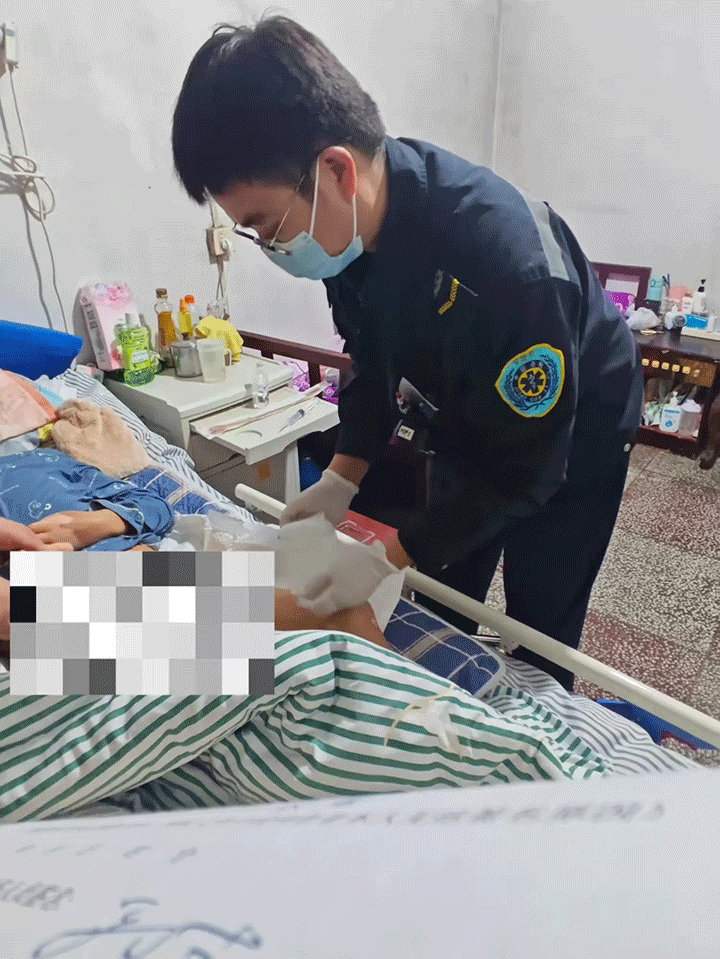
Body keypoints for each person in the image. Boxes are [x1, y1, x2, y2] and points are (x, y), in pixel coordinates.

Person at [171, 16, 643, 690]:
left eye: (266, 226)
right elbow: (371, 356)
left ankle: (538, 715)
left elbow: (528, 467)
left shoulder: (506, 268)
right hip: (461, 406)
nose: (272, 247)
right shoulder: (349, 233)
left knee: (543, 604)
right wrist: (341, 477)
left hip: (573, 423)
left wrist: (392, 551)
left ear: (336, 170)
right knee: (445, 576)